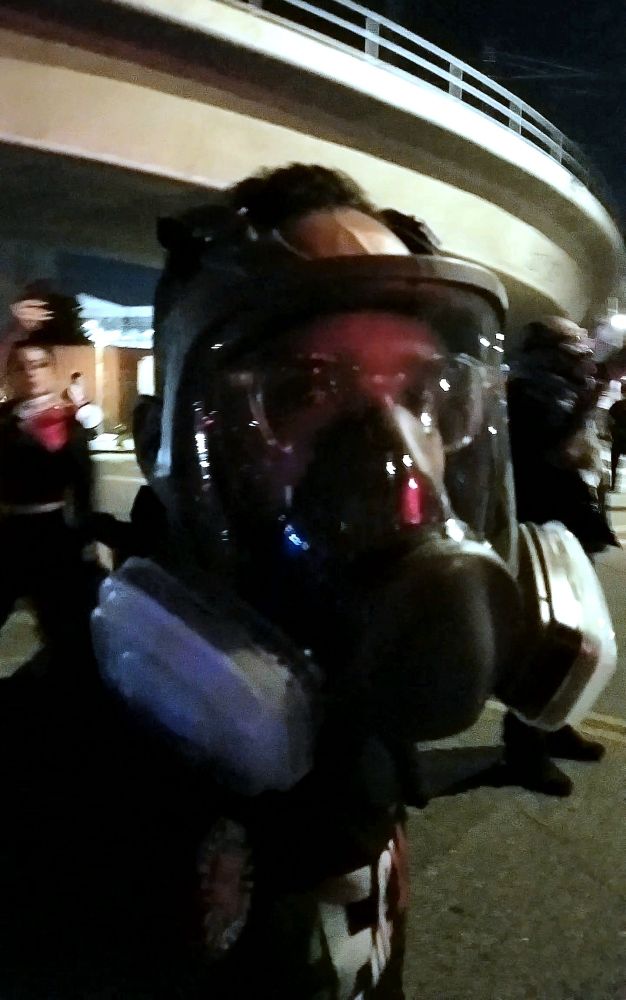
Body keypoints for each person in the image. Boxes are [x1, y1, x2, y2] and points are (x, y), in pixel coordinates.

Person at [0, 166, 616, 999]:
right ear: (164, 444)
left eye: (425, 394)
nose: (392, 447)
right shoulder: (42, 796)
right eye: (305, 390)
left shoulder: (349, 680)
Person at [503, 316, 614, 797]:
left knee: (580, 638)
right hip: (543, 530)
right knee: (548, 640)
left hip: (568, 527)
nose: (583, 349)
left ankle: (556, 722)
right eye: (573, 343)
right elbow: (553, 452)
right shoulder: (528, 391)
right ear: (548, 349)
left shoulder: (562, 388)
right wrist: (592, 399)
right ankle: (525, 746)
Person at [0, 340, 95, 676]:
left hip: (54, 534)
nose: (30, 373)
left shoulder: (69, 420)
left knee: (63, 626)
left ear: (52, 371)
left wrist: (85, 537)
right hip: (7, 533)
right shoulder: (3, 418)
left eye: (39, 365)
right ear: (10, 373)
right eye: (21, 366)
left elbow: (83, 483)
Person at [608, 385, 626, 490]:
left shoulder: (618, 404)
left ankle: (613, 484)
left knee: (614, 463)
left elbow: (610, 414)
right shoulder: (619, 405)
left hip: (618, 438)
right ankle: (614, 484)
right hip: (620, 438)